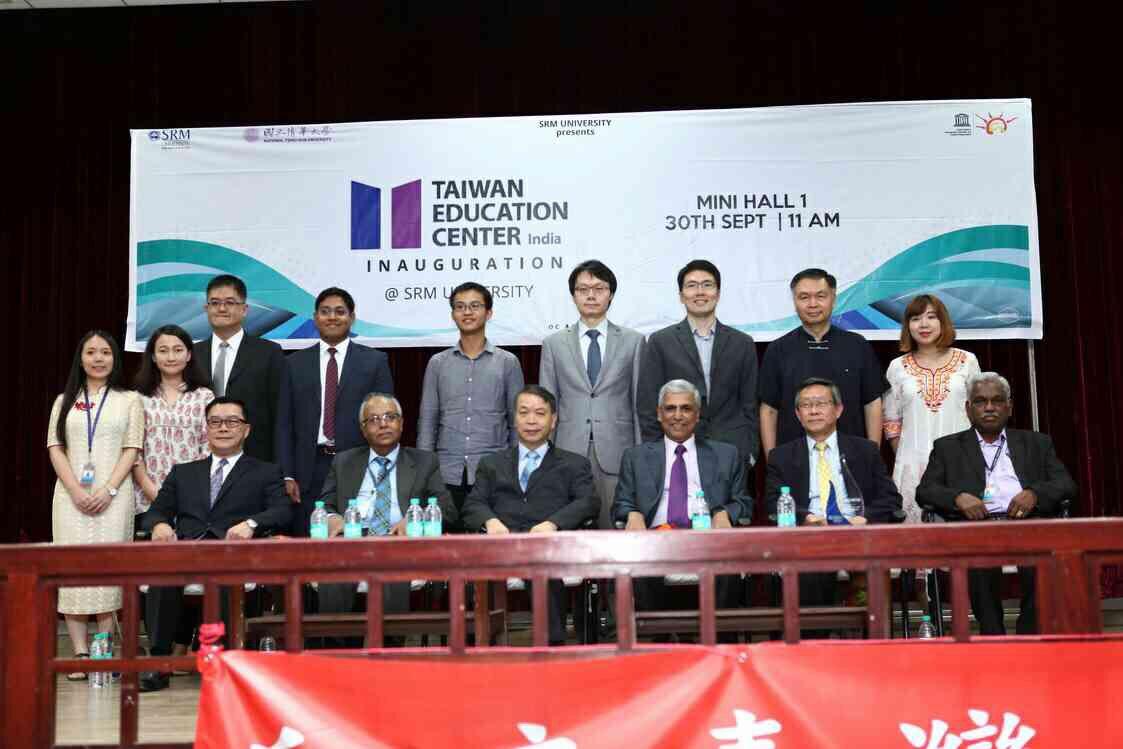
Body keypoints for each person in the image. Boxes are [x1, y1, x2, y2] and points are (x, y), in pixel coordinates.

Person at [139, 397, 291, 692]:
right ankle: (159, 663)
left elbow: (282, 511)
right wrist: (159, 525)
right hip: (188, 553)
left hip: (233, 553)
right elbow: (155, 511)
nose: (223, 428)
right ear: (206, 429)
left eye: (232, 421)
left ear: (246, 430)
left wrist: (251, 524)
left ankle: (225, 661)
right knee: (161, 573)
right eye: (215, 422)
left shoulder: (265, 472)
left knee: (224, 575)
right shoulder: (183, 472)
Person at [916, 372, 1077, 635]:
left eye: (997, 401)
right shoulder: (948, 447)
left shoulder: (1036, 443)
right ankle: (993, 636)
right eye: (980, 401)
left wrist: (1034, 493)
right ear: (968, 408)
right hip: (977, 528)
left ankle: (1029, 636)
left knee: (1042, 560)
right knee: (979, 560)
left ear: (1009, 407)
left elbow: (1066, 484)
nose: (989, 407)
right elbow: (926, 491)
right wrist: (958, 497)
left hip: (1026, 524)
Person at [461, 385, 599, 645]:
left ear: (553, 420)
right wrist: (490, 521)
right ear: (514, 418)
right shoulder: (492, 464)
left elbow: (588, 502)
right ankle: (481, 650)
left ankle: (552, 647)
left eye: (540, 413)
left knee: (542, 567)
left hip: (547, 549)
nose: (531, 420)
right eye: (524, 413)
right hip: (501, 547)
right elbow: (473, 504)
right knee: (473, 568)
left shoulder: (573, 464)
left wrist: (553, 524)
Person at [47, 330, 143, 679]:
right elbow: (55, 447)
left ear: (115, 359)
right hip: (70, 497)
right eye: (91, 352)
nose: (98, 358)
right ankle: (80, 653)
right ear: (81, 358)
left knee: (108, 571)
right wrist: (75, 489)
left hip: (113, 497)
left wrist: (109, 490)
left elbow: (132, 448)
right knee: (72, 569)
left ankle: (103, 651)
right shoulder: (64, 400)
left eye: (105, 352)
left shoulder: (129, 400)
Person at [612, 379, 753, 618]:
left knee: (726, 563)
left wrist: (724, 513)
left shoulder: (726, 454)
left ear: (697, 415)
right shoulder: (635, 457)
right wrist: (633, 514)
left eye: (686, 408)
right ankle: (656, 634)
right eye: (670, 408)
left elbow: (744, 502)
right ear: (659, 414)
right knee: (641, 562)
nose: (678, 416)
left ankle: (719, 635)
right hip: (656, 541)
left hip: (706, 540)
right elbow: (621, 503)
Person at [318, 392, 455, 626]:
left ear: (401, 423)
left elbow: (447, 508)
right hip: (352, 542)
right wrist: (333, 518)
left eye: (390, 417)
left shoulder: (424, 462)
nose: (383, 424)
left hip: (398, 544)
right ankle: (338, 643)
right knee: (335, 570)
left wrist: (414, 520)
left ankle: (390, 642)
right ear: (363, 429)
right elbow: (326, 504)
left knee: (392, 566)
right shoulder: (343, 462)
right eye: (374, 419)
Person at [764, 377, 902, 605]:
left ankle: (867, 626)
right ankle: (820, 627)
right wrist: (806, 518)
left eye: (821, 403)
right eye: (806, 405)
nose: (814, 411)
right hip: (810, 535)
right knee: (810, 567)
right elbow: (772, 502)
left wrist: (865, 519)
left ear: (838, 410)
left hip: (857, 531)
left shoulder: (865, 450)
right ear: (798, 414)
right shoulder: (781, 457)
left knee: (871, 571)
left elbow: (891, 498)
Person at [275, 287, 394, 536]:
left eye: (340, 312)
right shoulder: (293, 364)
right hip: (308, 469)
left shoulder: (374, 361)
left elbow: (384, 422)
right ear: (315, 317)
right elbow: (284, 423)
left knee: (353, 539)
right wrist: (287, 474)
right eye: (325, 311)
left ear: (352, 318)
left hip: (357, 464)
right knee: (309, 541)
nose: (332, 317)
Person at [131, 324, 214, 667]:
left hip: (192, 498)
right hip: (146, 493)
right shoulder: (137, 398)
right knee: (156, 577)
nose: (170, 356)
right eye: (163, 350)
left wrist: (185, 496)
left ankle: (183, 642)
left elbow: (208, 449)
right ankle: (159, 649)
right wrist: (154, 492)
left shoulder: (204, 396)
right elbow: (133, 450)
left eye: (177, 349)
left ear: (189, 354)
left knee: (191, 573)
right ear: (152, 356)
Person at [539, 260, 645, 529]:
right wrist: (545, 457)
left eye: (599, 288)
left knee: (615, 533)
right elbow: (547, 407)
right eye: (583, 289)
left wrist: (640, 455)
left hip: (617, 451)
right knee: (568, 532)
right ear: (573, 295)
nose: (591, 295)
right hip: (567, 450)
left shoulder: (633, 341)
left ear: (611, 294)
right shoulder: (553, 344)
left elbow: (638, 404)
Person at [637, 260, 759, 474]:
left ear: (718, 293)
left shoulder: (742, 343)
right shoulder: (660, 342)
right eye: (692, 285)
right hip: (677, 452)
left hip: (732, 452)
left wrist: (751, 451)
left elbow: (751, 404)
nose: (700, 292)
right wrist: (656, 452)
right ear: (681, 295)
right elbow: (648, 405)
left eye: (707, 285)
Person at [417, 282, 523, 519]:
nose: (467, 312)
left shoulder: (508, 363)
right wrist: (424, 471)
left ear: (489, 313)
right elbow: (427, 421)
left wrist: (515, 468)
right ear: (453, 314)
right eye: (460, 306)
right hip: (446, 471)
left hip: (494, 470)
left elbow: (517, 422)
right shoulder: (437, 364)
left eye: (475, 306)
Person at [758, 268, 885, 458]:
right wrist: (772, 462)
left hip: (851, 457)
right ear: (794, 301)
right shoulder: (778, 350)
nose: (812, 304)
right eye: (804, 297)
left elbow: (872, 404)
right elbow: (768, 410)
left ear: (833, 298)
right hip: (794, 460)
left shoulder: (857, 345)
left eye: (820, 296)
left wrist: (872, 456)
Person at [883, 294, 980, 524]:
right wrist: (907, 460)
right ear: (908, 326)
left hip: (960, 462)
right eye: (916, 319)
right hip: (912, 466)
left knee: (960, 536)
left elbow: (978, 414)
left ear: (942, 321)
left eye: (931, 317)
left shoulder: (967, 361)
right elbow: (891, 422)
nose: (923, 325)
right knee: (916, 539)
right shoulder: (897, 367)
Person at [194, 274, 286, 462]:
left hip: (255, 458)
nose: (221, 308)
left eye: (230, 302)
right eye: (215, 303)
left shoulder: (268, 352)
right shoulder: (192, 354)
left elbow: (281, 414)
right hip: (200, 456)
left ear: (244, 309)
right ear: (206, 308)